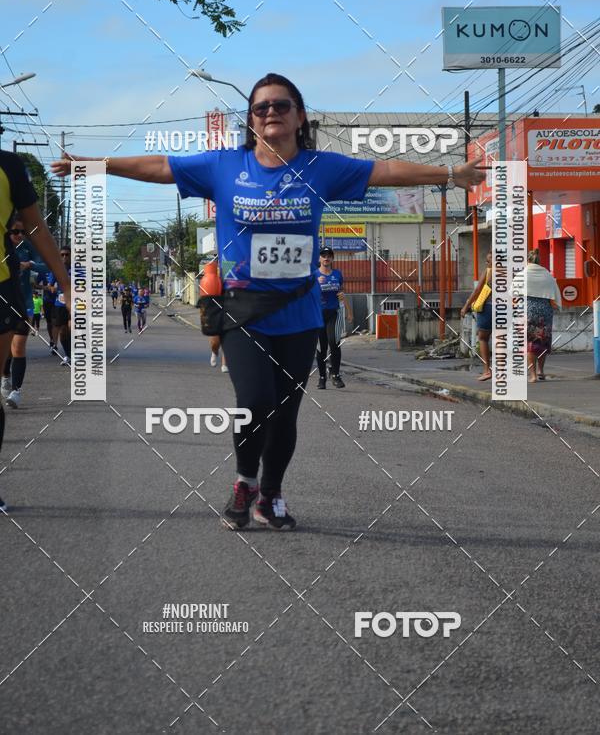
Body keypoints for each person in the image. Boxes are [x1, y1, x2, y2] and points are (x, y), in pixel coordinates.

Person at [51, 72, 485, 530]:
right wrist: (95, 164)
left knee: (285, 411)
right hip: (243, 312)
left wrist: (452, 174)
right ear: (252, 121)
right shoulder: (224, 166)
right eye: (261, 108)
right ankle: (245, 482)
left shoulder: (323, 168)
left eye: (281, 105)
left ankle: (271, 494)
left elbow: (388, 170)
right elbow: (161, 166)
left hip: (300, 311)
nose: (271, 112)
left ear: (300, 117)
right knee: (254, 401)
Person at [0, 151, 71, 510]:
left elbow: (38, 228)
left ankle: (14, 388)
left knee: (16, 352)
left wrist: (66, 284)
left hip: (3, 290)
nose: (16, 234)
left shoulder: (9, 166)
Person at [0, 214, 47, 407]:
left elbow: (47, 266)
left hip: (23, 302)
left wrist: (30, 264)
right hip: (3, 301)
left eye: (23, 232)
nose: (19, 235)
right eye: (15, 231)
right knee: (5, 348)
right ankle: (5, 376)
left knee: (18, 347)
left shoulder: (28, 247)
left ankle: (16, 391)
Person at [315, 247, 352, 389]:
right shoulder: (314, 275)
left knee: (334, 342)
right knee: (321, 347)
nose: (326, 258)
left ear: (332, 259)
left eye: (329, 256)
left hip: (334, 313)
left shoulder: (337, 274)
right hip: (318, 315)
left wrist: (349, 312)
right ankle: (322, 377)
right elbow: (307, 296)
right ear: (319, 259)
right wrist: (316, 285)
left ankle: (335, 375)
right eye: (323, 255)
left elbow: (341, 293)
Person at [526, 248, 561, 382]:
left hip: (528, 312)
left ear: (528, 260)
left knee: (530, 342)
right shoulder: (547, 275)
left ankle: (533, 375)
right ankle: (541, 371)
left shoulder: (523, 274)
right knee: (542, 341)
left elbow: (513, 293)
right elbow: (555, 294)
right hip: (545, 312)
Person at [461, 250, 493, 382]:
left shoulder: (489, 272)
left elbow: (477, 290)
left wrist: (466, 306)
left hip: (488, 307)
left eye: (488, 260)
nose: (487, 262)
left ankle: (487, 370)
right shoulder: (509, 273)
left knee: (483, 338)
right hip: (505, 309)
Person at [47, 245, 72, 365]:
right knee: (63, 331)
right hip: (60, 303)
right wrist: (53, 288)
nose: (64, 257)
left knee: (72, 327)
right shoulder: (56, 270)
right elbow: (50, 285)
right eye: (62, 255)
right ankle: (68, 355)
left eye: (67, 254)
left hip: (76, 304)